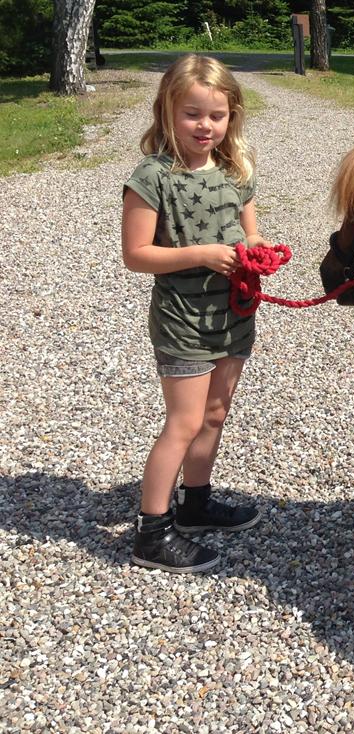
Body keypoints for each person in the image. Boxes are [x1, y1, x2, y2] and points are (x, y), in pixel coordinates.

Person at [121, 54, 267, 572]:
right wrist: (202, 254)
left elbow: (249, 230)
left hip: (231, 315)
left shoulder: (235, 171)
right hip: (183, 318)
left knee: (214, 414)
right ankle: (152, 532)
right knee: (182, 422)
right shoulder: (152, 177)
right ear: (167, 112)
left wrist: (256, 249)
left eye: (216, 115)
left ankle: (196, 505)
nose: (205, 125)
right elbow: (136, 255)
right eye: (192, 114)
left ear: (232, 117)